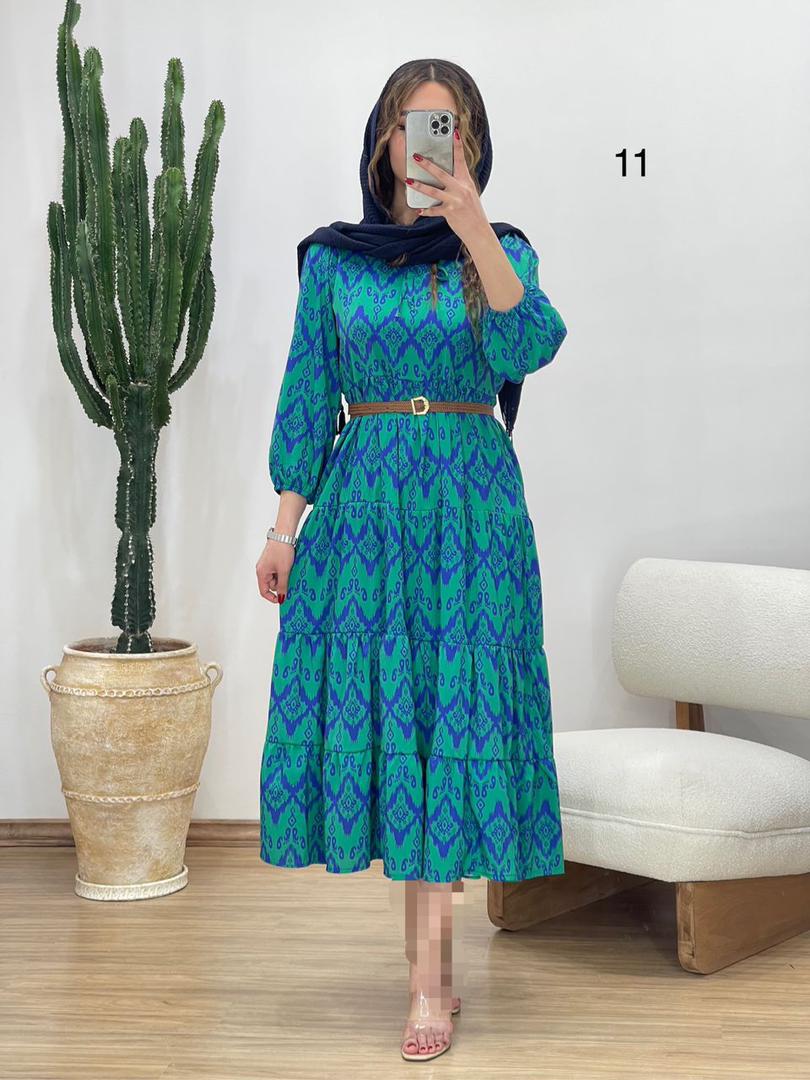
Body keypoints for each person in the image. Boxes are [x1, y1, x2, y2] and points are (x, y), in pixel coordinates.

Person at [256, 58, 568, 1063]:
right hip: (366, 510)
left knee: (453, 717)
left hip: (472, 513)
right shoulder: (334, 262)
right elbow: (309, 393)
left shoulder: (500, 251)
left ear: (472, 143)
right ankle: (429, 976)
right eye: (414, 124)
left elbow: (532, 345)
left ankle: (431, 978)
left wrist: (473, 226)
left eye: (451, 125)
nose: (431, 142)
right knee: (399, 717)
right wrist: (283, 526)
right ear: (383, 141)